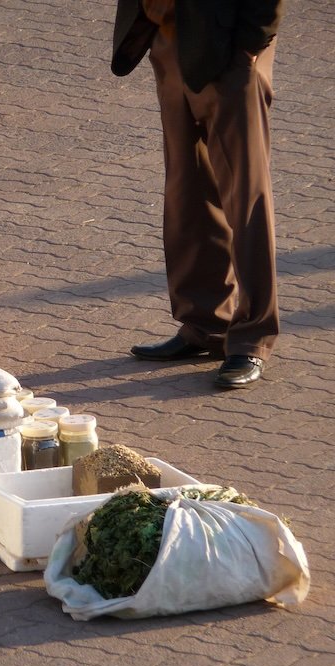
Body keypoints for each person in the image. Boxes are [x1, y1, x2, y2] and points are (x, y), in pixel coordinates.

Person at [112, 0, 283, 388]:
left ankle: (252, 337)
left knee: (246, 198)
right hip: (171, 37)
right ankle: (206, 322)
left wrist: (251, 45)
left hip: (231, 47)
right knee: (186, 188)